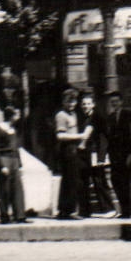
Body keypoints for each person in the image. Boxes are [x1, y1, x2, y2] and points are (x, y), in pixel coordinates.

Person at [77, 92, 115, 216]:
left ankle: (109, 209)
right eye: (83, 104)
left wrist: (101, 156)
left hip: (95, 153)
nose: (85, 106)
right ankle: (85, 210)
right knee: (84, 181)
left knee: (99, 180)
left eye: (88, 104)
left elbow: (103, 138)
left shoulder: (97, 118)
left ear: (93, 105)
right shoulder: (82, 117)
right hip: (85, 154)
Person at [101, 92, 131, 218]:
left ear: (121, 102)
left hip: (126, 154)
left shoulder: (128, 115)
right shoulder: (110, 117)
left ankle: (128, 210)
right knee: (115, 181)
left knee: (125, 182)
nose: (114, 104)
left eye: (116, 101)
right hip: (114, 155)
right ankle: (124, 208)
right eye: (112, 102)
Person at [0, 104, 29, 224]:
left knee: (17, 189)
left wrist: (20, 165)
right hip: (3, 161)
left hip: (14, 161)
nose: (19, 116)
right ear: (11, 116)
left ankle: (20, 215)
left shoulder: (13, 129)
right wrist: (2, 166)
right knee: (4, 190)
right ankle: (4, 215)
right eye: (17, 114)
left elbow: (16, 148)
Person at [53, 88, 85, 219]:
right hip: (67, 149)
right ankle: (67, 211)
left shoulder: (74, 114)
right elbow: (60, 135)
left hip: (74, 149)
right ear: (63, 102)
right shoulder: (61, 115)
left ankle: (67, 209)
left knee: (72, 180)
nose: (71, 104)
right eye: (68, 101)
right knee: (70, 180)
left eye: (73, 101)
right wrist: (79, 136)